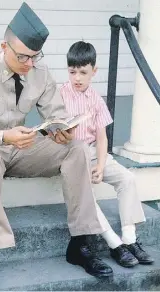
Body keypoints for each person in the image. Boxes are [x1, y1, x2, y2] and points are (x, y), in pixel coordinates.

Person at [0, 3, 116, 289]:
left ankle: (81, 243)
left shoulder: (39, 71)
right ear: (5, 46)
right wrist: (4, 137)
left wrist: (62, 129)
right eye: (23, 57)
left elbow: (56, 113)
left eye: (35, 56)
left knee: (76, 148)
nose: (29, 63)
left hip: (24, 146)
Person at [60, 41, 154, 268]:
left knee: (128, 179)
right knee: (86, 195)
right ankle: (115, 244)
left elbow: (102, 138)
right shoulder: (60, 94)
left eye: (83, 72)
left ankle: (130, 239)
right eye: (73, 72)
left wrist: (101, 165)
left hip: (94, 152)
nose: (77, 78)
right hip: (72, 155)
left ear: (94, 71)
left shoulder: (96, 100)